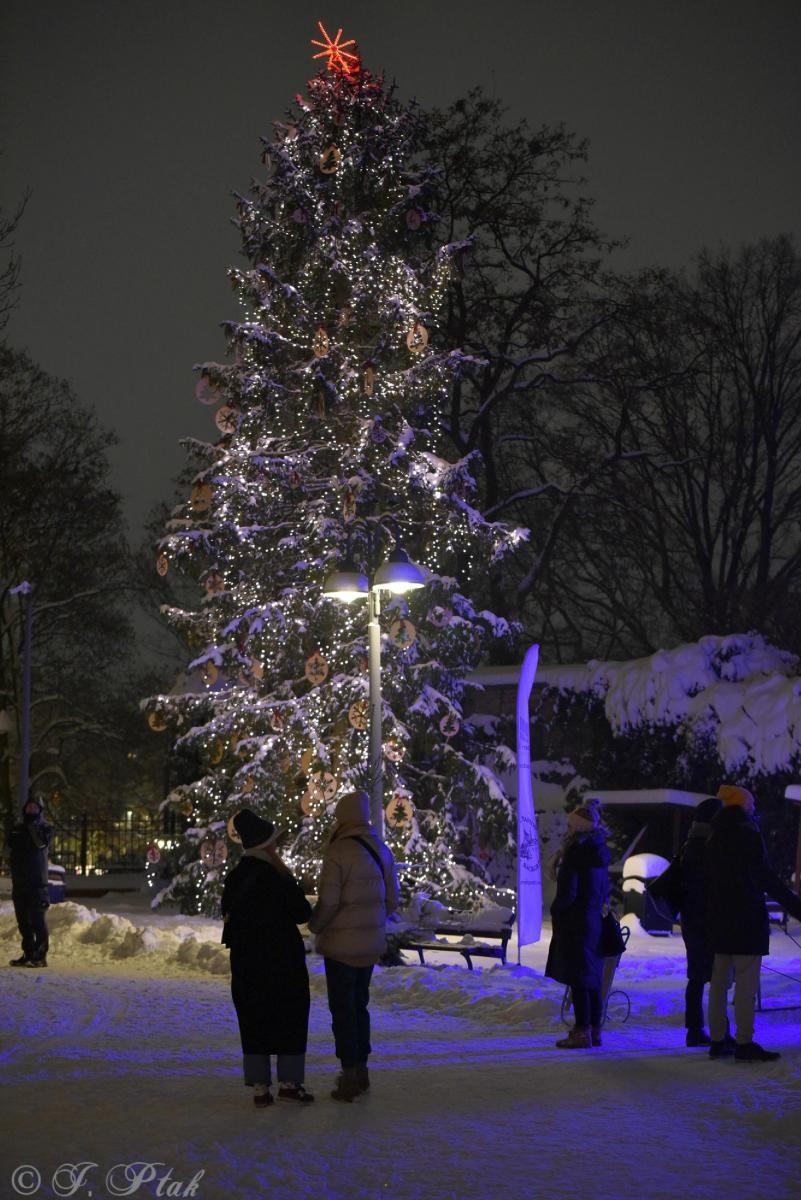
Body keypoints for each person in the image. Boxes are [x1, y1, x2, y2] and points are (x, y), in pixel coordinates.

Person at [308, 789, 400, 1102]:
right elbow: (392, 900)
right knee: (360, 1006)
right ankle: (362, 1069)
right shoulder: (381, 849)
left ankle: (348, 1075)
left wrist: (315, 926)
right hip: (369, 945)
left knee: (343, 1009)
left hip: (341, 948)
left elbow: (329, 901)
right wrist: (372, 922)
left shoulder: (338, 852)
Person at [220, 809, 314, 1107]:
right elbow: (302, 913)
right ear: (267, 846)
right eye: (274, 843)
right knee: (290, 1015)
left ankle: (260, 1087)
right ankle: (289, 1083)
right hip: (282, 959)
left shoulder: (235, 877)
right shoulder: (276, 876)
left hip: (246, 960)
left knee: (253, 1017)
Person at [705, 784, 801, 1062]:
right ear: (741, 805)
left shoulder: (714, 835)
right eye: (751, 803)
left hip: (719, 918)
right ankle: (745, 1042)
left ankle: (718, 1039)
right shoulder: (748, 833)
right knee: (746, 982)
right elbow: (765, 877)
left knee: (719, 982)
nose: (754, 807)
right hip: (746, 919)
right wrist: (796, 907)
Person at [654, 795, 723, 1047]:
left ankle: (695, 1029)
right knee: (717, 976)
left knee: (696, 976)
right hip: (708, 919)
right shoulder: (709, 846)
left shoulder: (690, 844)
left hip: (691, 919)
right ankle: (714, 1030)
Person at [545, 798, 611, 1049]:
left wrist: (557, 911)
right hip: (593, 919)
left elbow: (568, 892)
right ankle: (594, 1029)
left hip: (575, 920)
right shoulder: (599, 852)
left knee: (579, 977)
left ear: (580, 828)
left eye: (571, 826)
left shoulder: (576, 853)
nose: (567, 830)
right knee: (591, 977)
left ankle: (582, 1031)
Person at [8, 796, 52, 968]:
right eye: (29, 807)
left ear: (39, 810)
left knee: (37, 920)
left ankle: (40, 955)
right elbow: (10, 845)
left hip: (37, 882)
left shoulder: (44, 828)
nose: (31, 810)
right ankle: (28, 953)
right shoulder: (18, 828)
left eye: (35, 807)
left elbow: (41, 843)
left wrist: (31, 826)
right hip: (19, 882)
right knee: (23, 921)